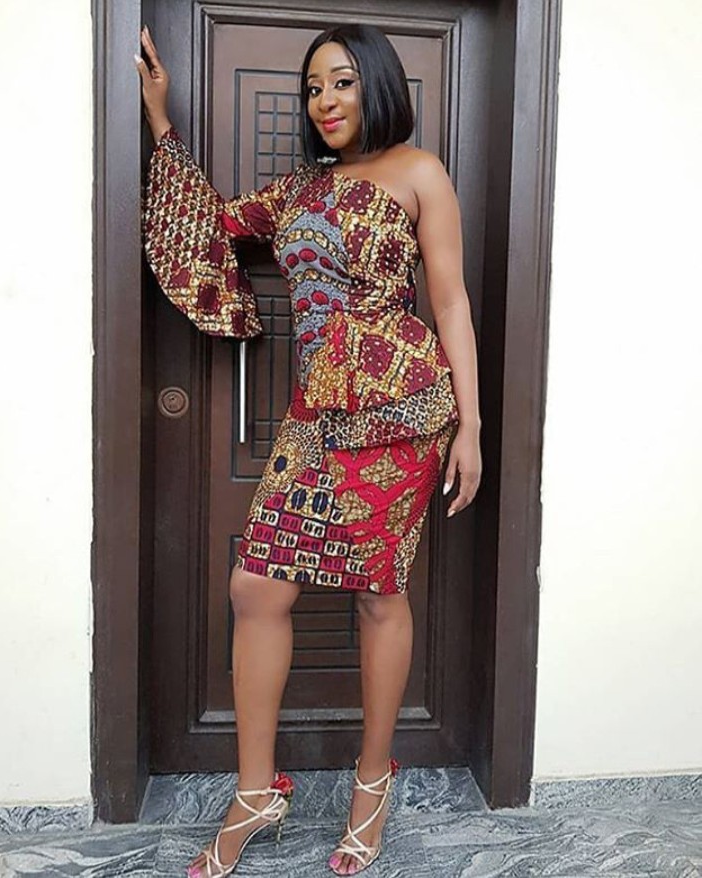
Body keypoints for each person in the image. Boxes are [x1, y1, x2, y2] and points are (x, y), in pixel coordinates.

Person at [135, 21, 481, 878]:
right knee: (255, 585)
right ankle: (257, 791)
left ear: (377, 84)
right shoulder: (295, 191)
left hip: (402, 412)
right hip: (312, 417)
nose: (325, 100)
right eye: (314, 87)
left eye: (342, 81)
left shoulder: (419, 172)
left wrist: (471, 426)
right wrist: (161, 123)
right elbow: (207, 226)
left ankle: (372, 781)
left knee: (378, 595)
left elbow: (451, 302)